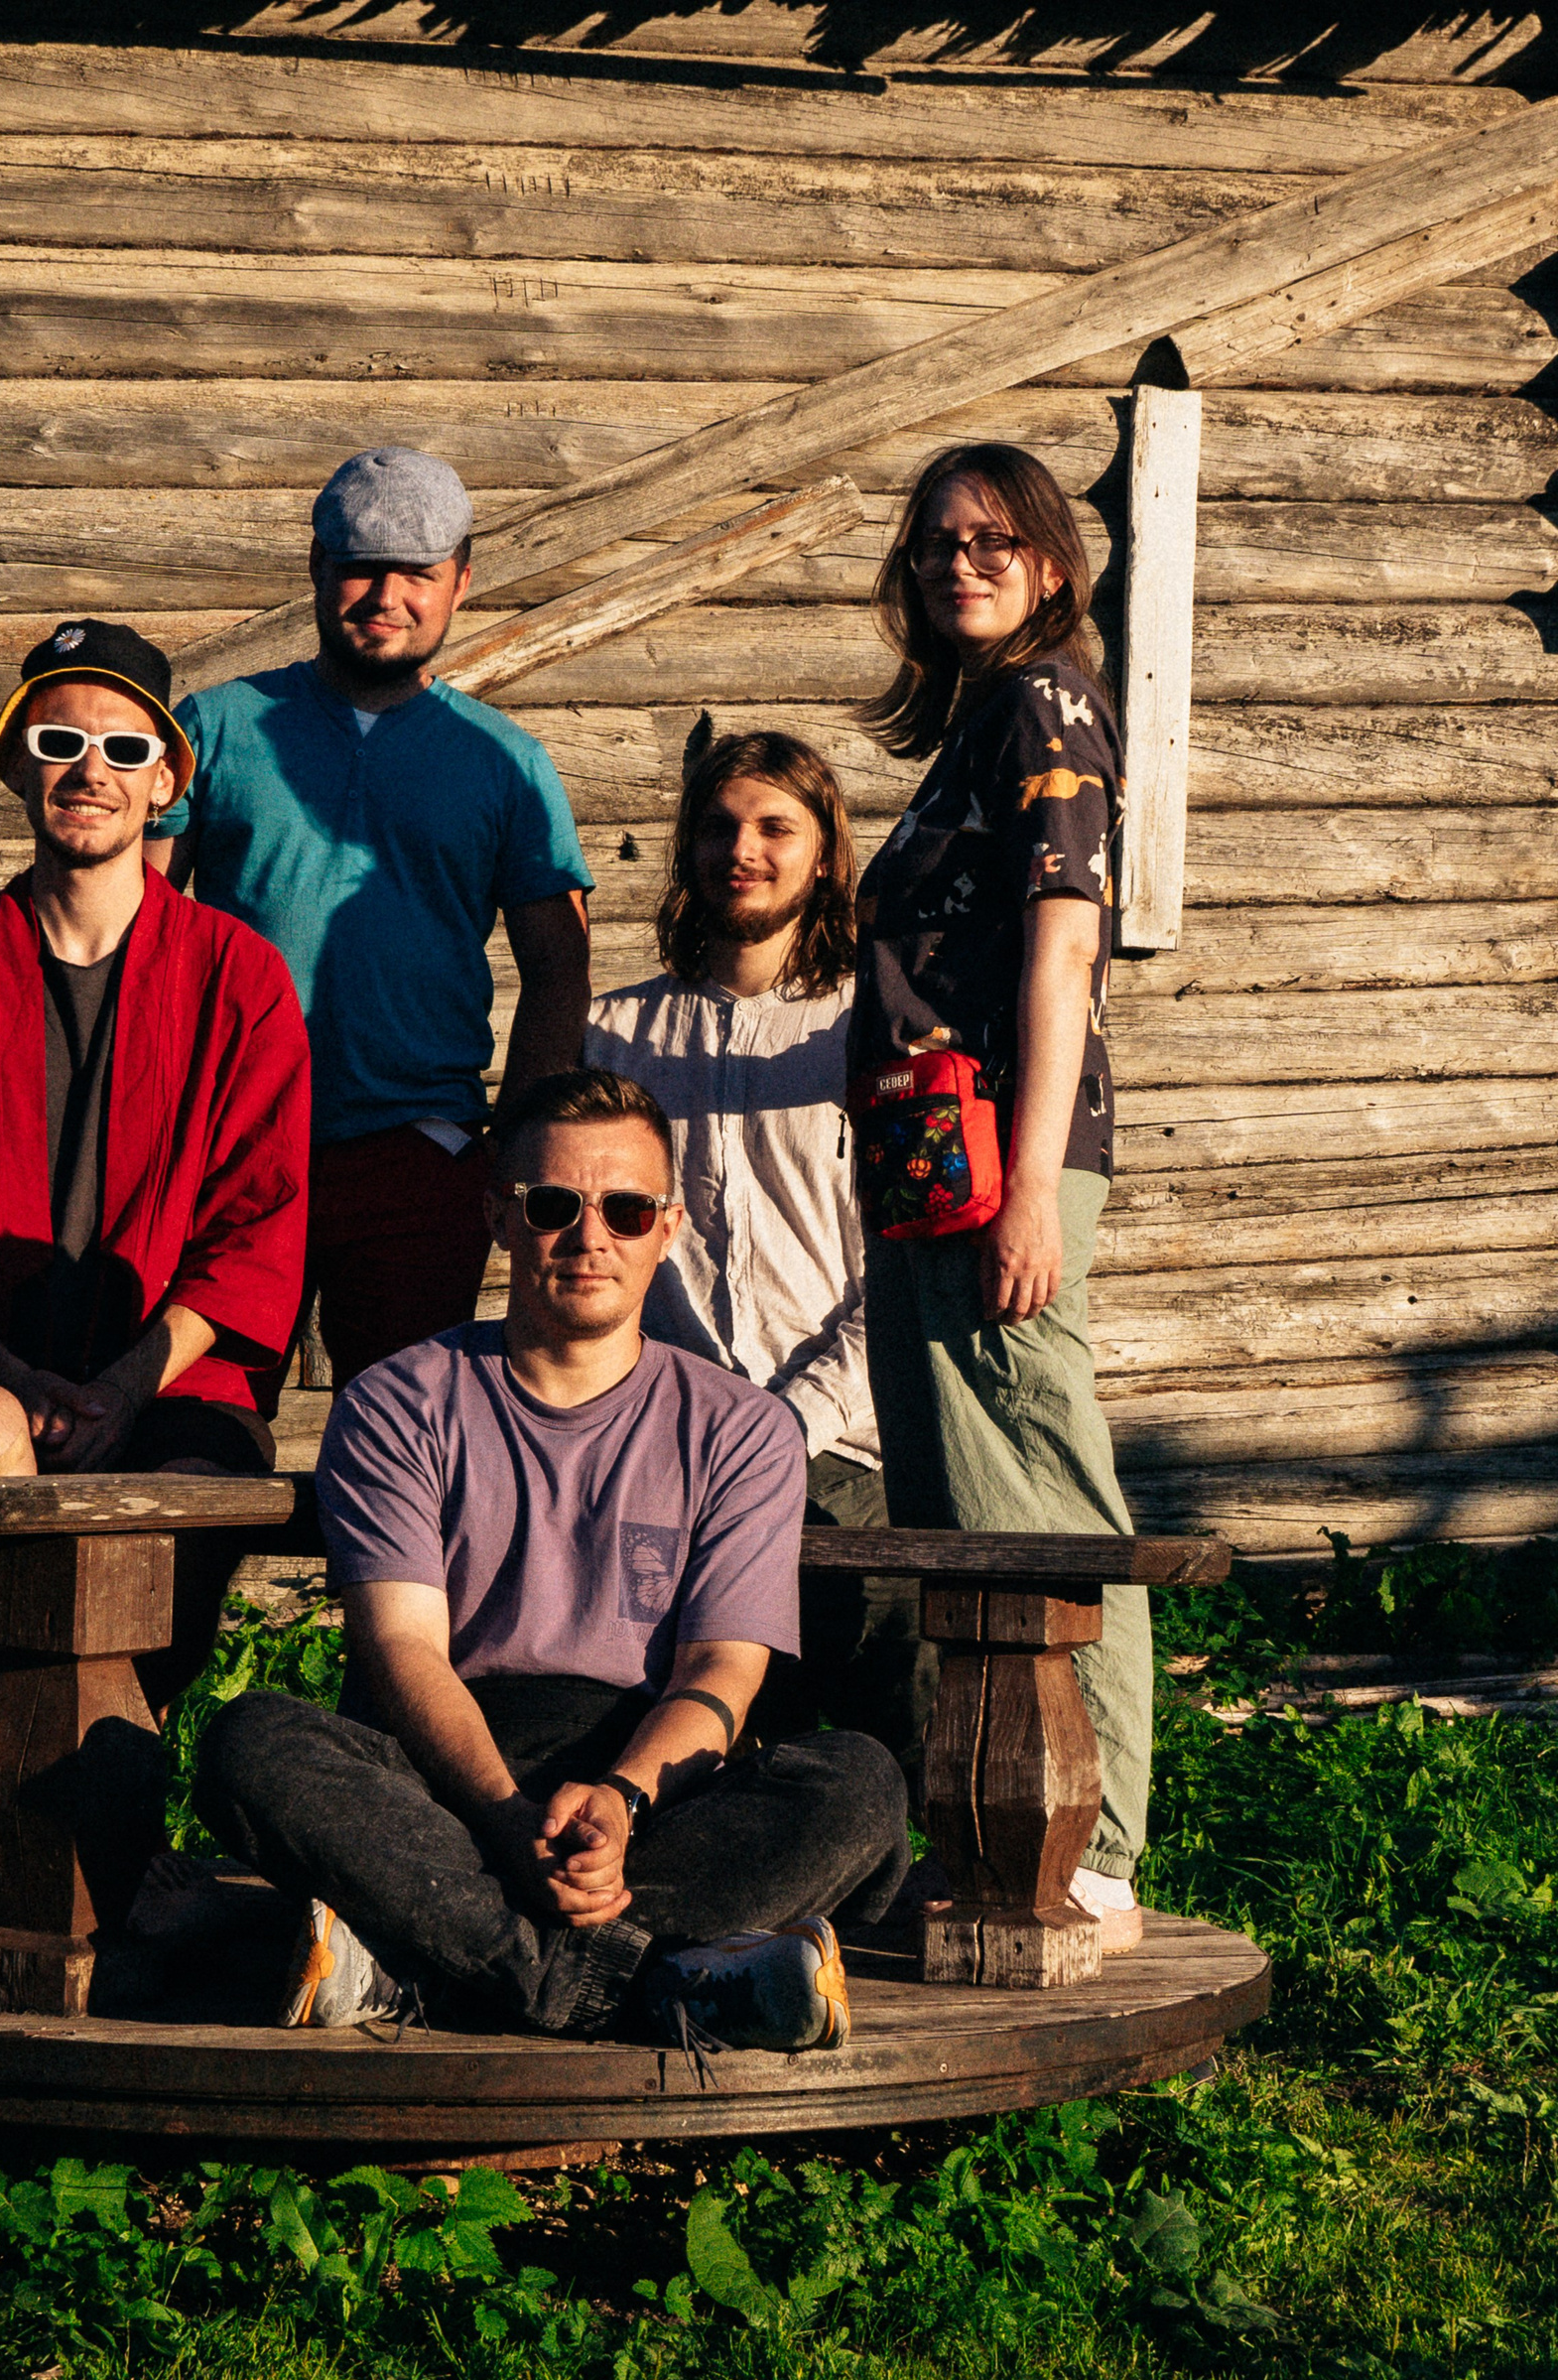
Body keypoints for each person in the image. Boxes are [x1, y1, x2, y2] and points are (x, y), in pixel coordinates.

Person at [195, 1069, 910, 2046]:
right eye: (551, 1205)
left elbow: (721, 1670)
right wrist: (503, 1816)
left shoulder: (742, 1429)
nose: (589, 1237)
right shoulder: (397, 1402)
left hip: (647, 1787)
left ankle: (438, 1964)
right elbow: (402, 1649)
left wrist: (618, 1801)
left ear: (668, 1227)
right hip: (442, 1781)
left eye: (625, 1210)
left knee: (858, 1784)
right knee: (254, 1744)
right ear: (498, 1215)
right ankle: (650, 1983)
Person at [0, 616, 310, 1702]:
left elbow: (256, 1228)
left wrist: (125, 1389)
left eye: (125, 749)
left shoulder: (240, 978)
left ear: (166, 785)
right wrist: (7, 1374)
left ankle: (101, 1761)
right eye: (59, 743)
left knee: (172, 1523)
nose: (91, 772)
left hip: (176, 1379)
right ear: (16, 765)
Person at [849, 441, 1153, 1950]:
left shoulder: (1049, 701)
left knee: (1036, 1486)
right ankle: (991, 1832)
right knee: (957, 1503)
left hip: (1001, 1160)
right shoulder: (976, 722)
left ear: (1049, 562)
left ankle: (1094, 1845)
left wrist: (1032, 1186)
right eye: (934, 543)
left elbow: (1062, 946)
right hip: (932, 1162)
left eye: (990, 540)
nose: (957, 562)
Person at [152, 446, 593, 1393]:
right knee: (197, 1418)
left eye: (418, 573)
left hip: (418, 1154)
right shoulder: (215, 727)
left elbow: (559, 965)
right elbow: (136, 929)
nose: (387, 597)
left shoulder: (505, 761)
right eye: (361, 566)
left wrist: (513, 1150)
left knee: (401, 1428)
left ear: (461, 581)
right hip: (231, 1144)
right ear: (316, 565)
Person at [584, 728, 935, 1796]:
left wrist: (793, 1421)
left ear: (825, 854)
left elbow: (906, 1264)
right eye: (719, 826)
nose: (743, 849)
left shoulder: (873, 1027)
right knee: (700, 1759)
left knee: (900, 1733)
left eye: (775, 827)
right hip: (675, 1454)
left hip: (851, 1450)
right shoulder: (616, 1033)